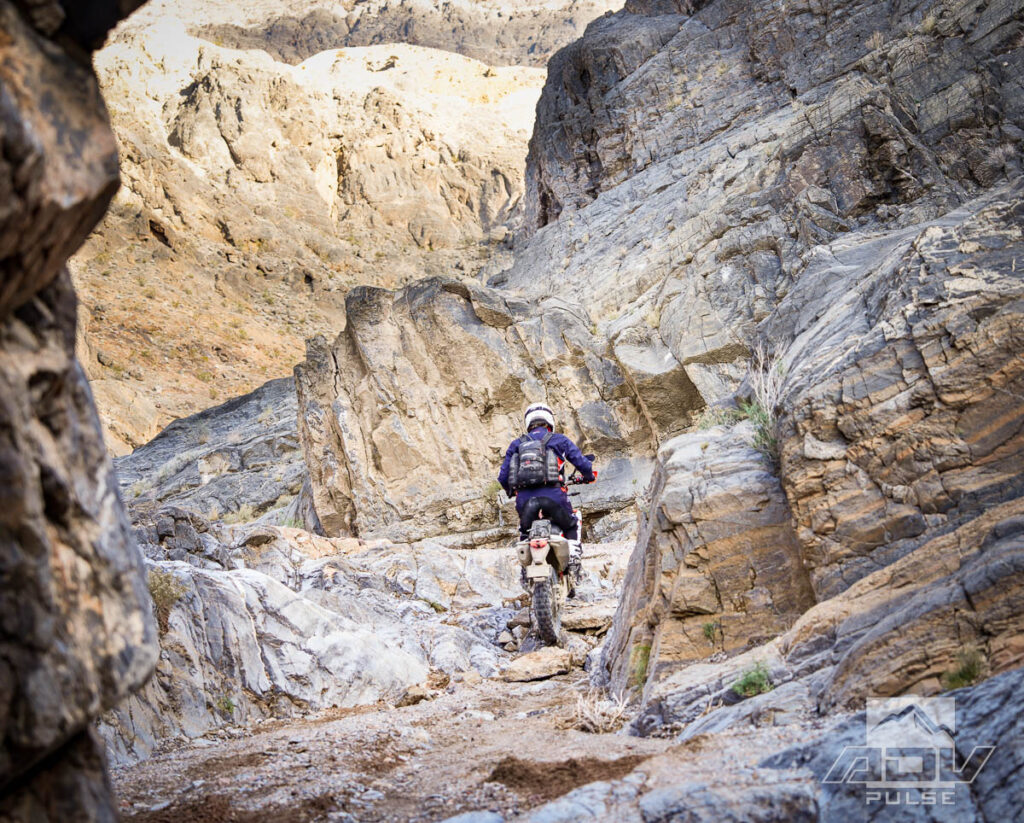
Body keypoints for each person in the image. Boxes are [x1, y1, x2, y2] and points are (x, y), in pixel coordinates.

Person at [497, 402, 596, 582]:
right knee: (572, 524)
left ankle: (525, 570)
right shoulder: (559, 440)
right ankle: (573, 561)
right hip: (554, 497)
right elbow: (582, 463)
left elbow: (503, 476)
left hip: (525, 501)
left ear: (528, 422)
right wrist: (588, 476)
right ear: (549, 420)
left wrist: (512, 492)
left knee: (525, 531)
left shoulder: (516, 444)